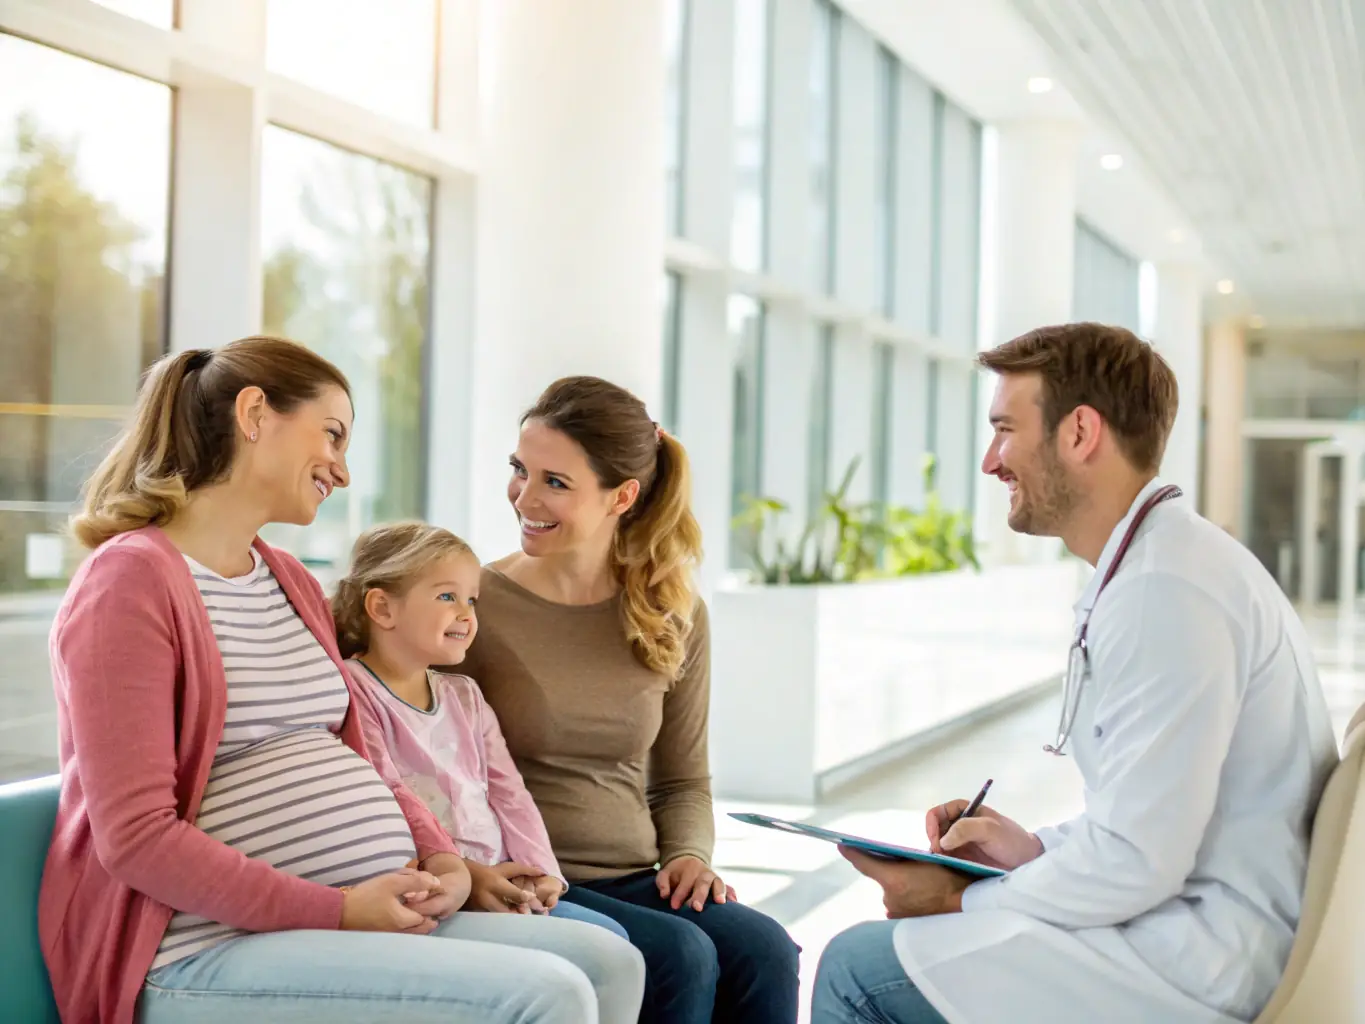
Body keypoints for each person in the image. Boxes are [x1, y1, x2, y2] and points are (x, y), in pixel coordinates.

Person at [40, 337, 644, 1024]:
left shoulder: (288, 579)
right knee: (548, 994)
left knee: (609, 959)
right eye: (332, 435)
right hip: (201, 947)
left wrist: (440, 860)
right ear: (254, 414)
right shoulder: (131, 580)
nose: (344, 470)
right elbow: (137, 837)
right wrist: (336, 908)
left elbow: (363, 761)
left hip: (341, 919)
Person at [811, 322, 1340, 1024]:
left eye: (1004, 429)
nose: (990, 462)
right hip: (1193, 923)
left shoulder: (1166, 590)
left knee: (858, 968)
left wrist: (957, 897)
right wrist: (1030, 851)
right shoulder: (1162, 564)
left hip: (1199, 959)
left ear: (1079, 433)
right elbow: (1144, 821)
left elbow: (1134, 864)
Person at [459, 375, 801, 1023]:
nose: (523, 497)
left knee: (765, 948)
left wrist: (690, 855)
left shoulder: (672, 610)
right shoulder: (475, 602)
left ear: (622, 496)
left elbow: (681, 780)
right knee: (680, 953)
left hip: (634, 876)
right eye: (518, 470)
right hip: (529, 876)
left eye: (554, 482)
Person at [331, 521, 639, 955]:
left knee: (614, 939)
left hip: (504, 882)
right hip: (431, 892)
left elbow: (509, 794)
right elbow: (387, 794)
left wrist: (542, 872)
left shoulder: (465, 696)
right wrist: (469, 877)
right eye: (446, 596)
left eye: (471, 599)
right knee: (603, 946)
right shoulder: (354, 691)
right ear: (382, 608)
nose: (466, 613)